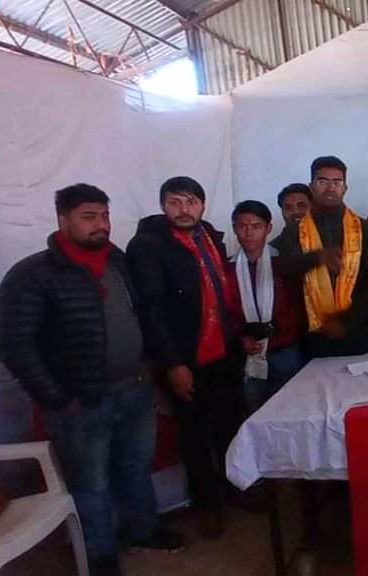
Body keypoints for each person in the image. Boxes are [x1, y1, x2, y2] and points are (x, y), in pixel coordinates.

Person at [0, 185, 185, 576]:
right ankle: (100, 555)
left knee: (135, 467)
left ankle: (144, 531)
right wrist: (58, 398)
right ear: (63, 219)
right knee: (90, 483)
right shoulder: (32, 274)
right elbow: (14, 346)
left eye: (104, 215)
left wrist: (149, 363)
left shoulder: (117, 261)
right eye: (89, 217)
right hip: (80, 403)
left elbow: (141, 314)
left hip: (134, 389)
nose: (101, 224)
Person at [127, 176, 243, 539]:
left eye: (191, 202)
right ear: (163, 205)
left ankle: (234, 489)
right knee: (194, 433)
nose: (184, 209)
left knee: (229, 422)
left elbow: (222, 291)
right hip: (185, 355)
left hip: (223, 348)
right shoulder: (148, 245)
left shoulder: (209, 235)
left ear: (203, 205)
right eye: (175, 202)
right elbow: (152, 310)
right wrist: (173, 363)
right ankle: (206, 504)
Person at [277, 156, 368, 356]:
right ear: (312, 187)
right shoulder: (294, 231)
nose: (331, 188)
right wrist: (316, 257)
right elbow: (286, 268)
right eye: (323, 182)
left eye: (337, 182)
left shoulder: (364, 228)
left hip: (359, 330)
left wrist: (346, 322)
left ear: (345, 188)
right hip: (312, 332)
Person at [228, 200, 306, 413]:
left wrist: (280, 330)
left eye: (256, 226)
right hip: (248, 353)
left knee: (290, 410)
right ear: (234, 228)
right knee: (253, 412)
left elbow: (299, 306)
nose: (249, 233)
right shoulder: (227, 268)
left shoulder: (284, 264)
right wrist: (241, 336)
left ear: (268, 228)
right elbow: (226, 311)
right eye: (243, 226)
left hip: (285, 350)